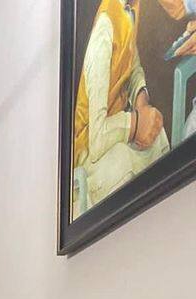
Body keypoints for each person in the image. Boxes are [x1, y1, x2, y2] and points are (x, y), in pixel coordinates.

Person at [73, 0, 170, 217]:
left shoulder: (129, 10)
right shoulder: (104, 30)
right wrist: (135, 124)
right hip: (89, 151)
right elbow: (96, 141)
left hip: (116, 129)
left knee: (158, 135)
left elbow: (133, 66)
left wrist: (142, 104)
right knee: (123, 159)